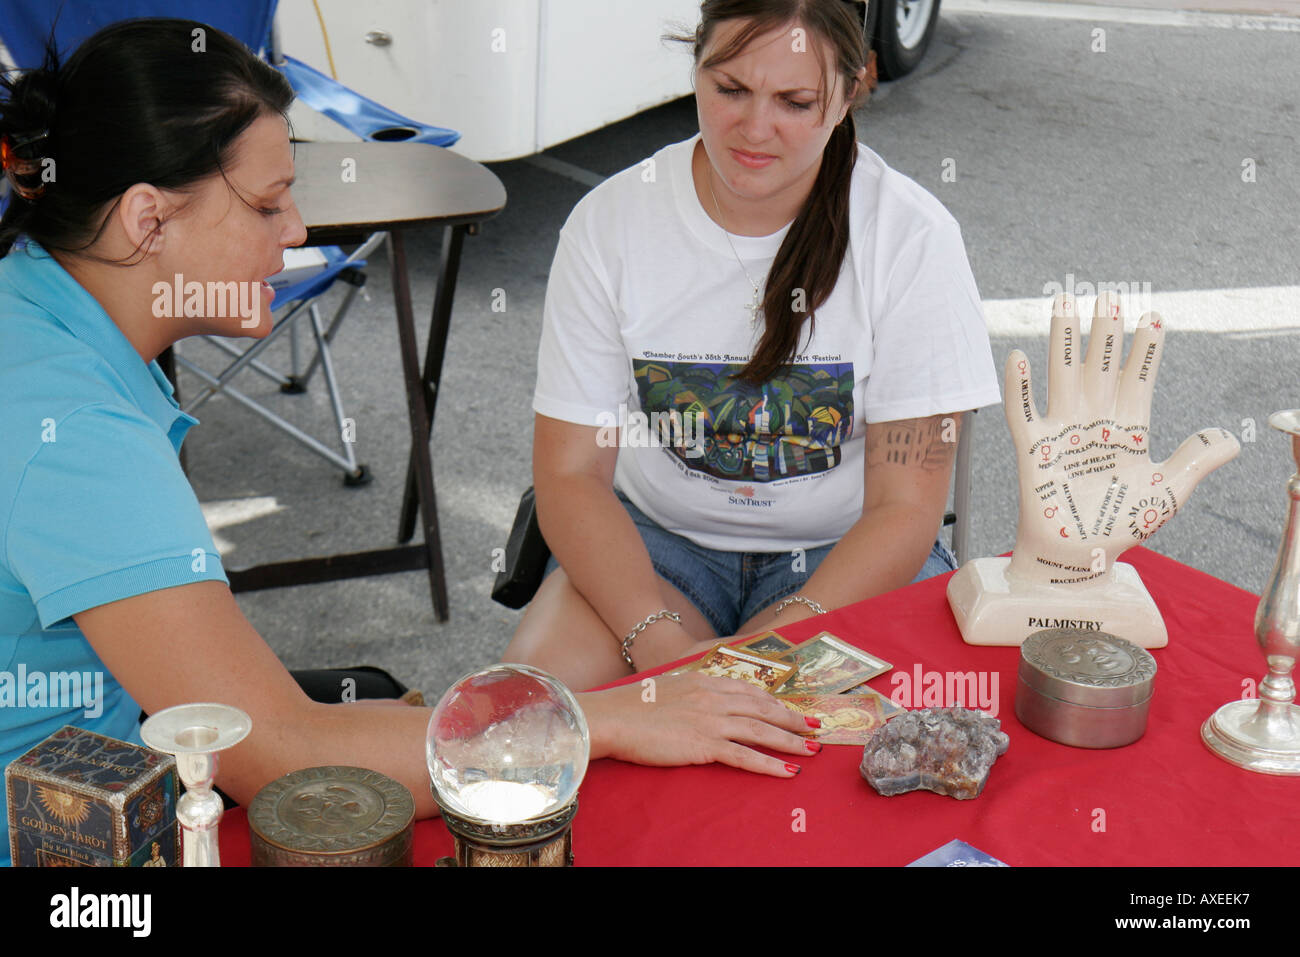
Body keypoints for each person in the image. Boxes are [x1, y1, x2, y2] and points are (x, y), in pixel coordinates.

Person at [0, 18, 816, 866]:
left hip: (99, 780)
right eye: (269, 203)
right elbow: (272, 754)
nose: (296, 232)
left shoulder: (39, 320)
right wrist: (612, 718)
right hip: (69, 850)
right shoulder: (82, 435)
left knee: (406, 727)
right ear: (147, 219)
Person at [504, 0, 1002, 690]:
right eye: (730, 88)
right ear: (696, 66)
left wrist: (781, 642)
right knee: (534, 709)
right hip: (656, 546)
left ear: (850, 91)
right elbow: (570, 475)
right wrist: (658, 643)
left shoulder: (913, 237)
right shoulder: (610, 224)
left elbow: (906, 506)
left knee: (864, 752)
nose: (754, 128)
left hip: (844, 555)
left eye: (795, 102)